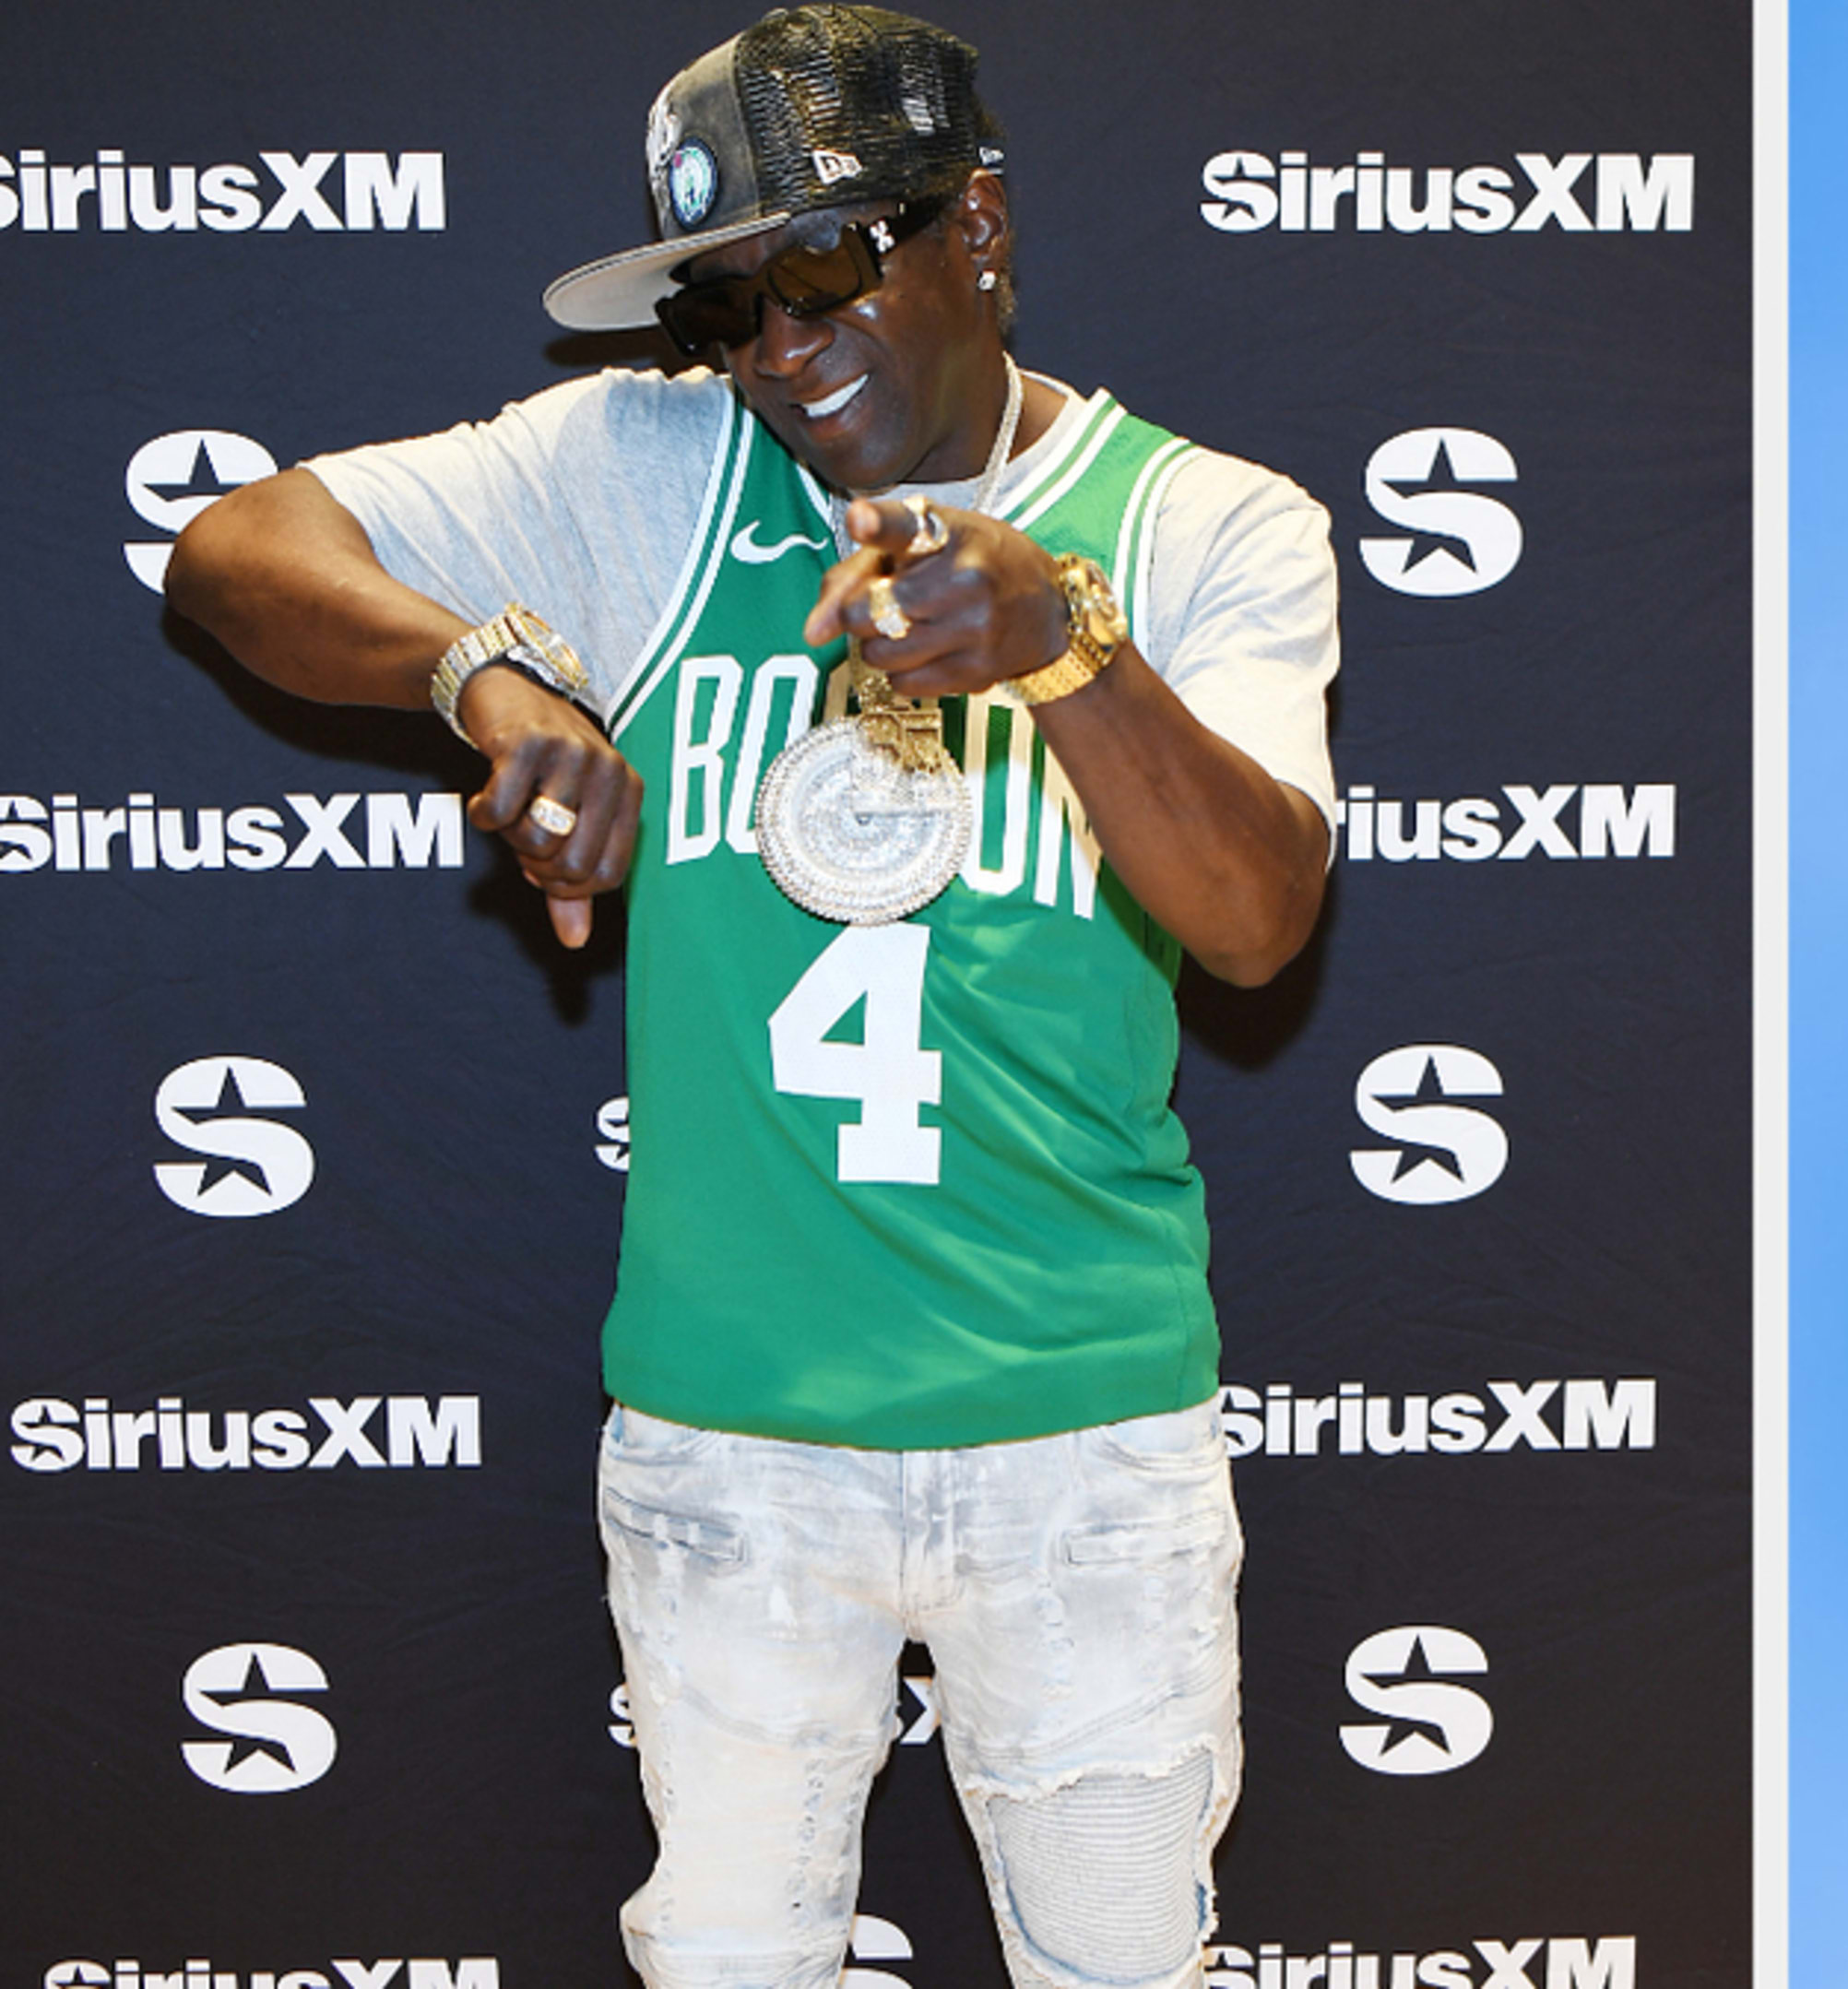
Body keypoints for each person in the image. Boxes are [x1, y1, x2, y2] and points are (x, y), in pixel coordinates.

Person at [165, 8, 1333, 1986]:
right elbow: (232, 549)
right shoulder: (654, 471)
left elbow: (1251, 920)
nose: (778, 349)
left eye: (820, 268)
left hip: (1081, 1434)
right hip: (732, 1439)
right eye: (720, 305)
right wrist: (491, 675)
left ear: (979, 225)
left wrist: (1065, 645)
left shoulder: (1205, 522)